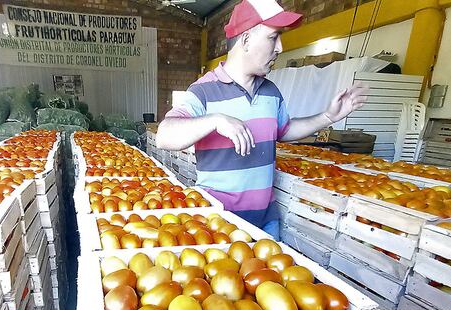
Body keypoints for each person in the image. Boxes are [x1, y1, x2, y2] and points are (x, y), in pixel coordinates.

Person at [156, 0, 367, 240]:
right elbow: (165, 135)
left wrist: (328, 116)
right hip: (219, 223)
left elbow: (284, 130)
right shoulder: (203, 91)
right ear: (246, 40)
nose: (280, 47)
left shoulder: (271, 92)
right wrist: (215, 120)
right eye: (273, 37)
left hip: (267, 221)